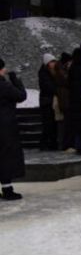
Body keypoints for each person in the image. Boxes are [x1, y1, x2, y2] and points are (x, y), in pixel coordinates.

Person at [0, 57, 27, 201]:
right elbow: (21, 96)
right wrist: (16, 79)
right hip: (5, 126)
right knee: (6, 157)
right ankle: (7, 189)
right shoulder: (4, 86)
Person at [37, 53, 59, 150]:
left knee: (51, 124)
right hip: (47, 101)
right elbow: (48, 86)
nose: (53, 63)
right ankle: (45, 143)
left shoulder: (50, 72)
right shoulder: (44, 73)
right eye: (51, 62)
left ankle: (50, 143)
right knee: (48, 124)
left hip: (48, 100)